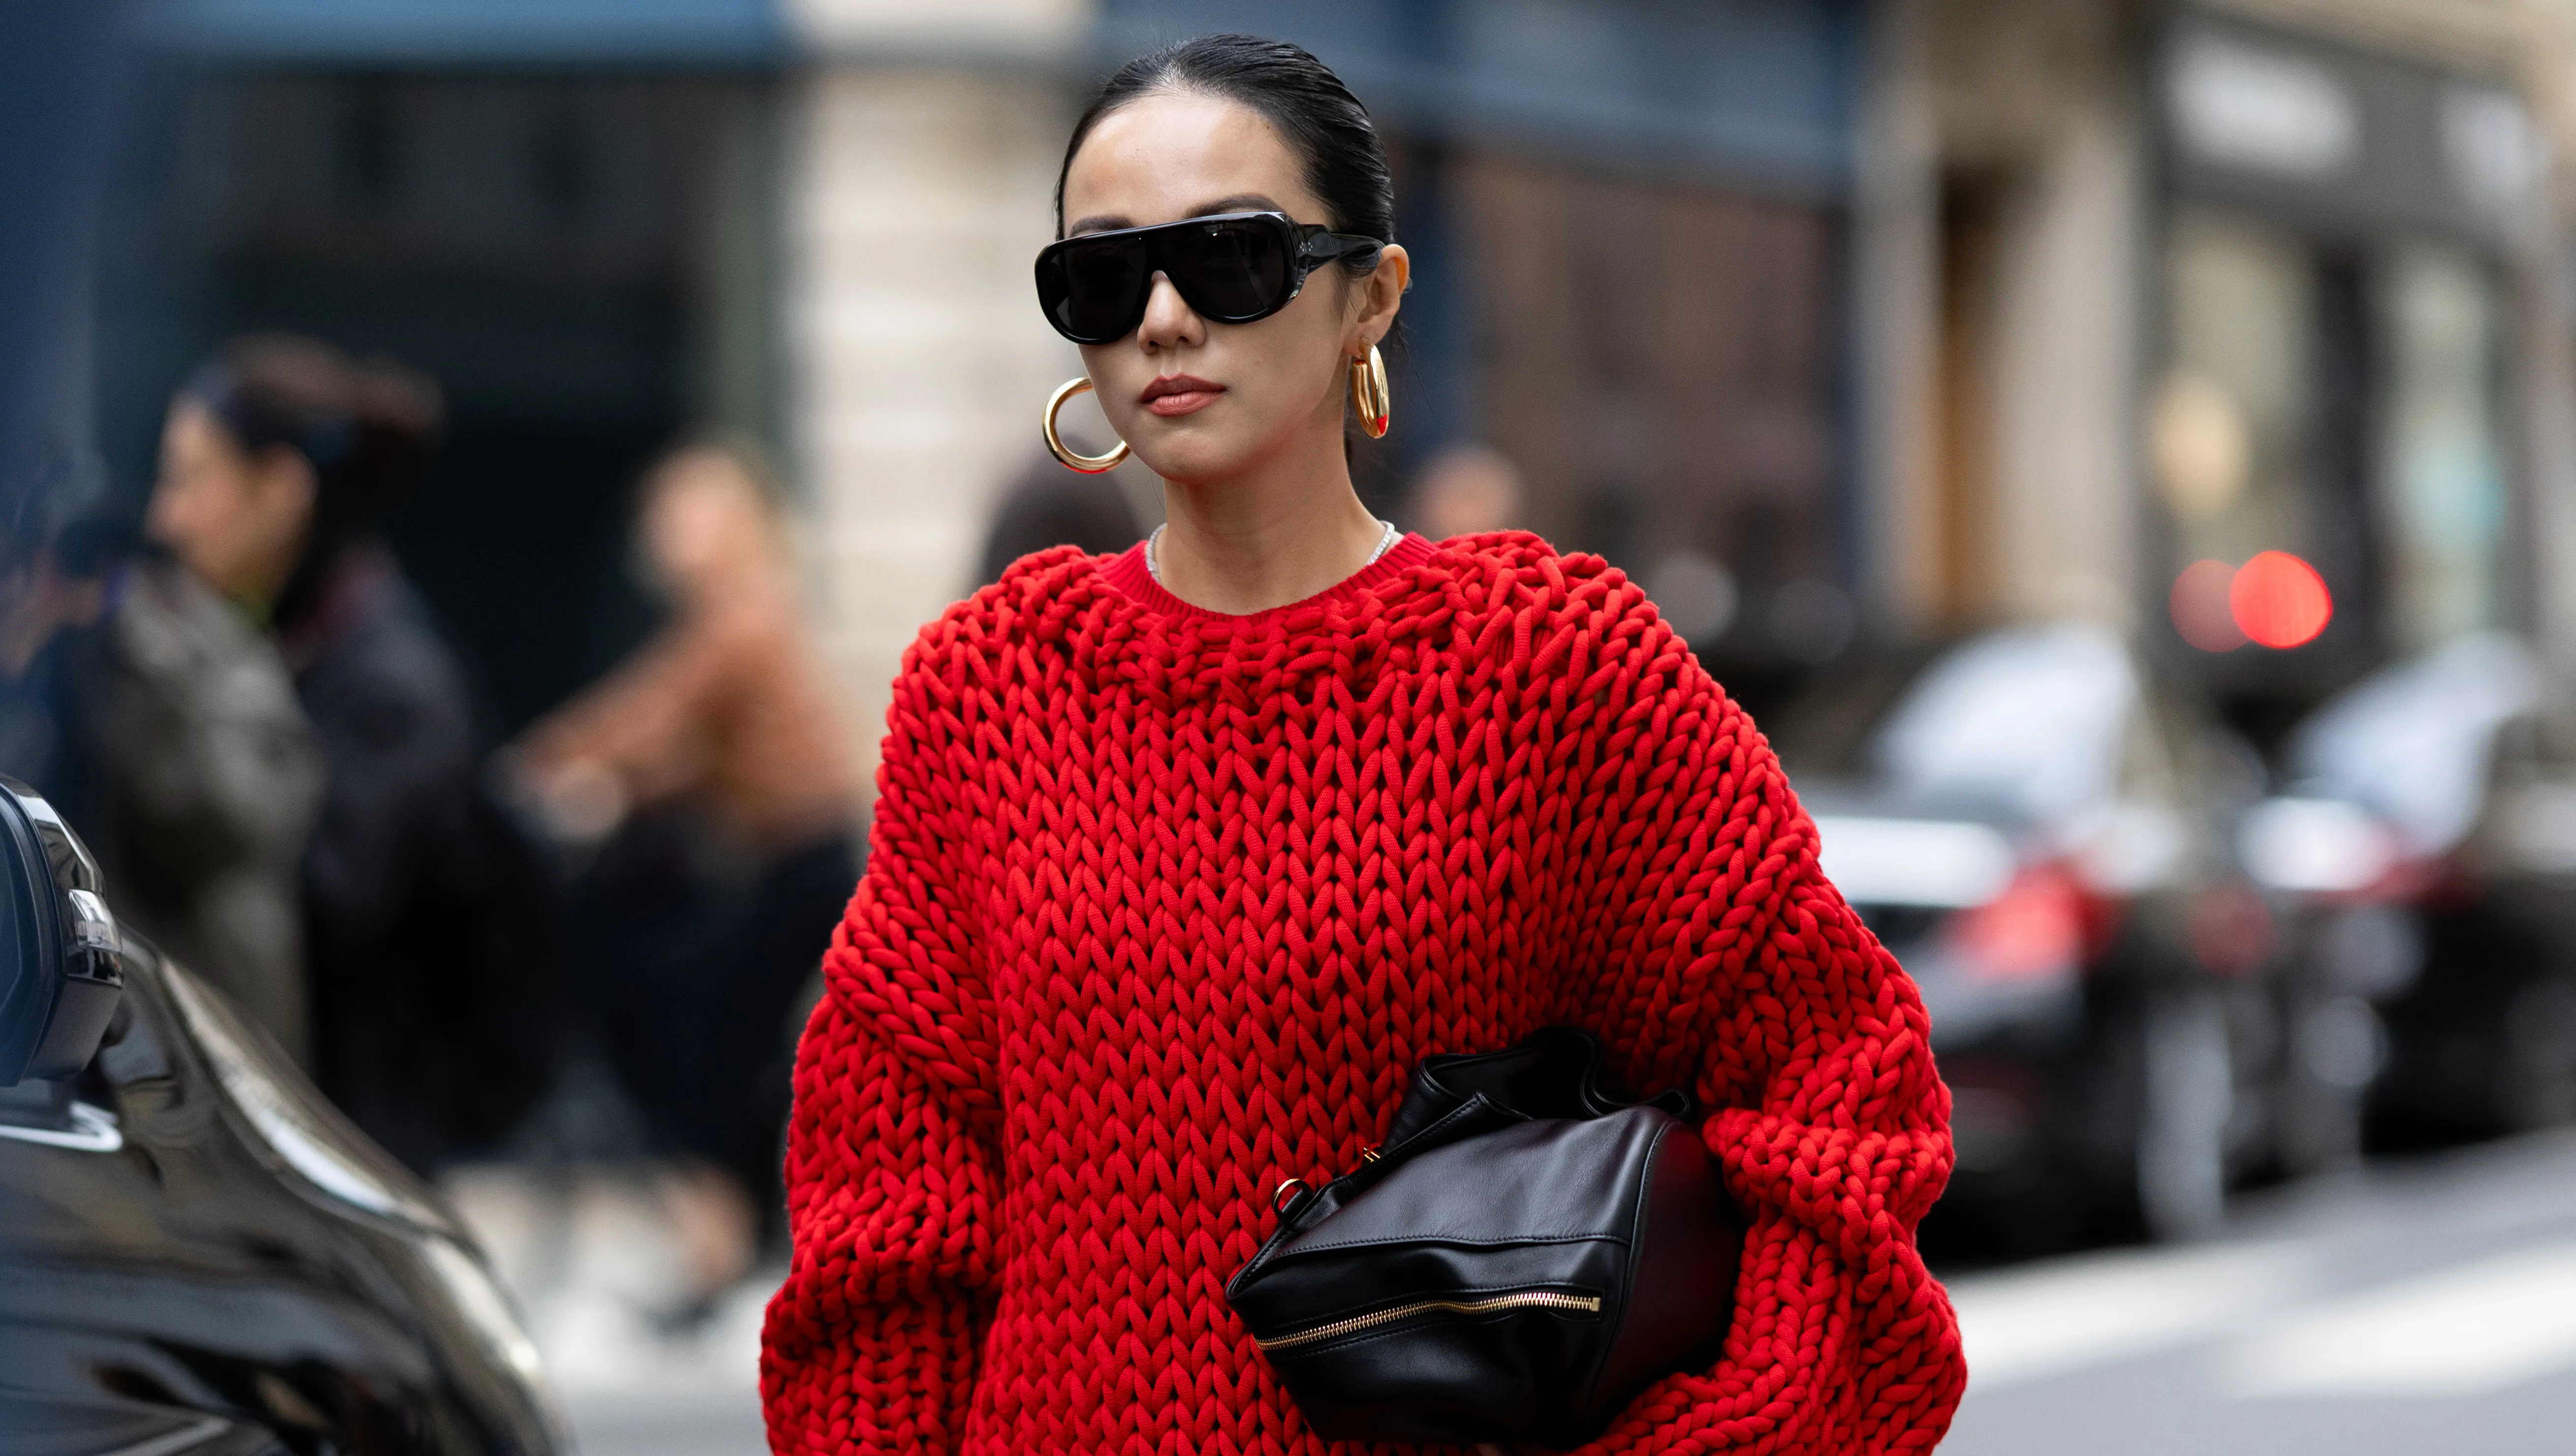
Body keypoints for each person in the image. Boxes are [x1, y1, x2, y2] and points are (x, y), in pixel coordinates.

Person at [760, 34, 1964, 1456]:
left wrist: (1733, 1431)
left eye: (1231, 258)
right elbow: (884, 1216)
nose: (1160, 317)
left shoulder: (1549, 662)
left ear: (1369, 300)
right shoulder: (988, 690)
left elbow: (1841, 1092)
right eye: (1101, 275)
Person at [147, 335, 556, 1174]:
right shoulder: (295, 651)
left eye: (191, 478)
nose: (168, 517)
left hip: (355, 1170)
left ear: (280, 490)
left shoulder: (394, 691)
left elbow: (301, 912)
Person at [512, 441, 863, 1299]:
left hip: (809, 859)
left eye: (685, 512)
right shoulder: (735, 612)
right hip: (791, 861)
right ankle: (728, 1223)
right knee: (714, 1023)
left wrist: (533, 767)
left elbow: (651, 708)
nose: (664, 531)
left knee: (699, 1027)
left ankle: (720, 1228)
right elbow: (678, 742)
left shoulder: (739, 614)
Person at [1, 437, 323, 1066]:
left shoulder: (189, 652)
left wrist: (119, 656)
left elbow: (228, 825)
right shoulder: (30, 673)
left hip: (195, 1057)